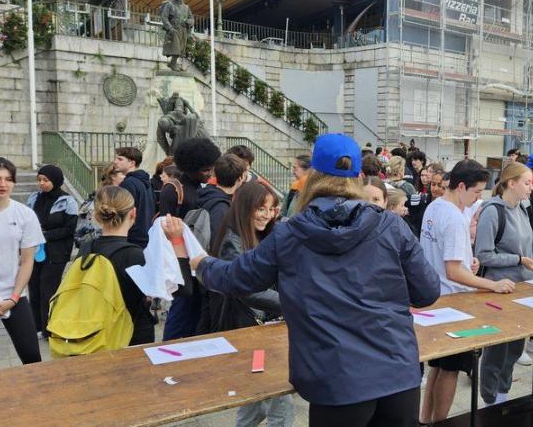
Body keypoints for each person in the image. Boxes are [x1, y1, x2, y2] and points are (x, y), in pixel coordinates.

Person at [188, 133, 440, 427]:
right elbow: (426, 291)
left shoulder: (291, 233)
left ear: (312, 176)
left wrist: (198, 261)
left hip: (337, 379)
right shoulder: (390, 226)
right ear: (358, 177)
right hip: (395, 372)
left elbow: (235, 277)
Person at [419, 160, 515, 424]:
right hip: (453, 302)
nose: (477, 199)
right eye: (475, 192)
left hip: (435, 299)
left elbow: (446, 258)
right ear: (460, 186)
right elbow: (454, 272)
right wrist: (492, 284)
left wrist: (466, 261)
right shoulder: (452, 216)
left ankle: (426, 419)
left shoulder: (434, 207)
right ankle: (441, 420)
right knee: (450, 371)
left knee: (438, 367)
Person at [475, 162, 533, 406]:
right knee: (496, 350)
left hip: (522, 288)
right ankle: (489, 400)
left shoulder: (522, 208)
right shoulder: (493, 211)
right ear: (511, 183)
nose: (531, 187)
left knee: (514, 348)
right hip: (499, 290)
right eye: (527, 182)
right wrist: (518, 259)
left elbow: (526, 245)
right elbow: (483, 254)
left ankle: (503, 395)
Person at [210, 182, 291, 427]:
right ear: (246, 207)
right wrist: (290, 303)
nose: (266, 215)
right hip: (248, 326)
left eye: (271, 209)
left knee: (257, 395)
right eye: (260, 208)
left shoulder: (265, 234)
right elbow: (245, 289)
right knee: (278, 395)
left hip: (264, 326)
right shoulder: (232, 239)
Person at [83, 186, 191, 346]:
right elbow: (183, 289)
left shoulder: (86, 247)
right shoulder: (133, 255)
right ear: (133, 213)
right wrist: (177, 243)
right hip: (129, 333)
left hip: (94, 330)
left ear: (98, 216)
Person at [162, 137, 221, 340]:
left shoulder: (204, 188)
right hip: (182, 261)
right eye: (206, 169)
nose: (210, 173)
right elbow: (167, 230)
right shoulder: (173, 190)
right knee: (182, 310)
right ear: (192, 167)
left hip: (199, 258)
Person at [0, 158, 43, 369]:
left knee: (31, 356)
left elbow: (27, 261)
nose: (3, 184)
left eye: (8, 179)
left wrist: (13, 298)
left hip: (15, 295)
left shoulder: (25, 215)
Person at [196, 154, 248, 335]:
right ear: (240, 177)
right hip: (216, 273)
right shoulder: (222, 208)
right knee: (216, 325)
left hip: (204, 268)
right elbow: (221, 245)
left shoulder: (206, 196)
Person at [25, 165, 78, 338]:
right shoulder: (34, 198)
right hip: (35, 250)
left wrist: (45, 235)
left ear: (55, 181)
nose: (42, 183)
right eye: (39, 180)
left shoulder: (67, 201)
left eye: (46, 180)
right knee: (34, 287)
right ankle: (36, 327)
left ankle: (50, 328)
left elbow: (69, 229)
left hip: (56, 252)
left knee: (48, 290)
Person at [113, 147, 154, 248]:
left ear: (132, 163)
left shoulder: (128, 183)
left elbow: (123, 212)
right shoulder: (145, 182)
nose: (115, 162)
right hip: (145, 236)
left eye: (120, 159)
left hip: (131, 238)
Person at [280, 153, 311, 218]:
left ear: (308, 170)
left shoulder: (314, 194)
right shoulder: (293, 190)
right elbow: (283, 213)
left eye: (295, 168)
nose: (293, 171)